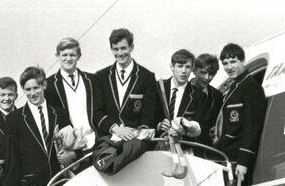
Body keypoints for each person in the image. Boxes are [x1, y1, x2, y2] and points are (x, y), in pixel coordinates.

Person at [93, 28, 159, 175]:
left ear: (131, 47)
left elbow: (148, 115)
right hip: (110, 139)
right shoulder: (101, 77)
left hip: (134, 143)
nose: (120, 53)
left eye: (123, 48)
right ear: (111, 49)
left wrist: (135, 134)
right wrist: (116, 128)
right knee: (103, 163)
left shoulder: (146, 77)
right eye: (115, 49)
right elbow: (97, 113)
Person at [7, 66, 69, 186]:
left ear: (44, 85)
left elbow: (72, 144)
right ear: (23, 90)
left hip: (61, 183)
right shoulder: (14, 119)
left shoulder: (59, 113)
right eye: (28, 90)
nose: (33, 93)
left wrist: (71, 154)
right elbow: (13, 160)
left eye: (36, 88)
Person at [213, 43, 267, 183]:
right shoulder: (234, 87)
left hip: (237, 159)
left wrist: (243, 161)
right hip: (227, 156)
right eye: (225, 63)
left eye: (233, 61)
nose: (229, 67)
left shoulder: (251, 88)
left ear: (242, 61)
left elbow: (252, 127)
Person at [46, 37, 99, 149]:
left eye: (72, 55)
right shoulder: (49, 85)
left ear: (79, 56)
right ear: (57, 56)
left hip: (96, 142)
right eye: (64, 55)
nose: (68, 58)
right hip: (71, 147)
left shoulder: (92, 80)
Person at [157, 49, 205, 141]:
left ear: (192, 69)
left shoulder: (199, 96)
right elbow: (147, 117)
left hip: (184, 147)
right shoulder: (157, 88)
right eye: (180, 66)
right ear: (172, 66)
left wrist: (184, 132)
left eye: (187, 67)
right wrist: (159, 126)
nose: (183, 71)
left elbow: (202, 128)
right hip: (158, 145)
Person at [191, 53, 224, 150]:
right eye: (203, 72)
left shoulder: (217, 96)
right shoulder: (182, 91)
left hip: (206, 148)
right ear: (194, 70)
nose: (207, 78)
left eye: (211, 74)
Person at [0, 76, 18, 141]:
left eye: (10, 95)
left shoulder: (24, 117)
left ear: (16, 96)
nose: (6, 99)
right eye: (2, 95)